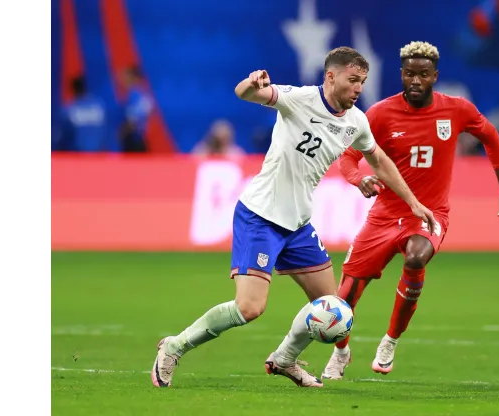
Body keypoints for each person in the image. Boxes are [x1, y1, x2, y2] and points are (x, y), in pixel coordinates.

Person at [151, 46, 436, 389]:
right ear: (331, 76)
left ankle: (284, 359)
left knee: (334, 309)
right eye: (353, 80)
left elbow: (378, 161)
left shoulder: (356, 121)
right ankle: (175, 346)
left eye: (363, 81)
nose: (359, 88)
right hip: (261, 216)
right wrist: (251, 81)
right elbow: (244, 93)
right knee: (249, 308)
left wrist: (412, 202)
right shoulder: (298, 99)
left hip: (298, 224)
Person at [321, 41, 499, 380]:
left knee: (417, 256)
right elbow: (348, 157)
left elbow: (491, 136)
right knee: (345, 297)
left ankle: (390, 341)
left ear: (435, 76)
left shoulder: (457, 110)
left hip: (428, 214)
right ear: (401, 74)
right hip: (384, 215)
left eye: (424, 75)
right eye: (409, 74)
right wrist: (358, 179)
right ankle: (341, 352)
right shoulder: (380, 114)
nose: (416, 81)